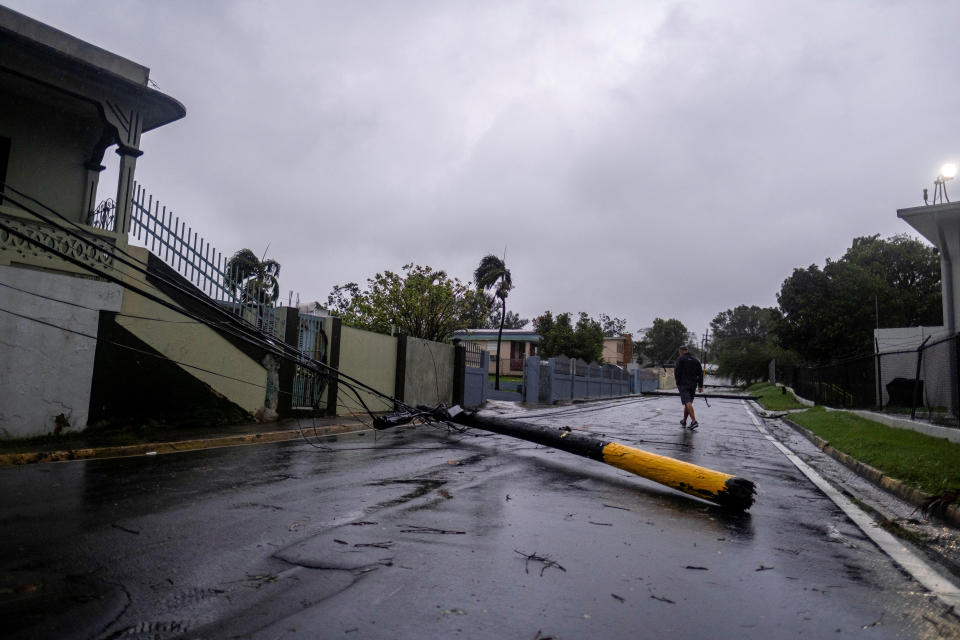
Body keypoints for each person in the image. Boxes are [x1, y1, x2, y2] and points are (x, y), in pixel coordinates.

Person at [674, 345, 704, 429]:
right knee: (688, 403)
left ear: (681, 351)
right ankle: (684, 420)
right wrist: (700, 385)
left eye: (680, 352)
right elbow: (700, 374)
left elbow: (677, 372)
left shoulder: (680, 359)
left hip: (683, 384)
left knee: (687, 402)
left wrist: (677, 382)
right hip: (693, 385)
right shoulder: (695, 360)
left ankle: (694, 421)